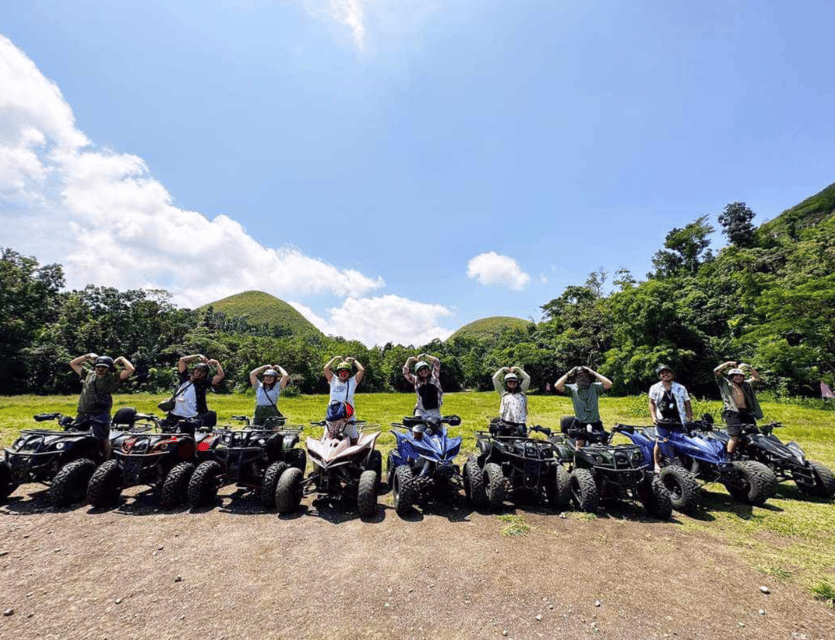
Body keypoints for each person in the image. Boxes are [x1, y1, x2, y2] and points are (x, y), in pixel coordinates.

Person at [69, 352, 135, 459]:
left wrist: (122, 359)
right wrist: (87, 356)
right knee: (75, 436)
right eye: (98, 367)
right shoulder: (88, 374)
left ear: (108, 369)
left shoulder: (112, 378)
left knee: (103, 439)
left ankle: (106, 461)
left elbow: (130, 369)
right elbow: (73, 363)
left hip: (100, 414)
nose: (100, 369)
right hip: (83, 412)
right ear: (95, 366)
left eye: (104, 367)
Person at [648, 364, 693, 473]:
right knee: (659, 441)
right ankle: (656, 464)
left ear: (672, 374)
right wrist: (653, 417)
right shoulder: (654, 387)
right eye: (662, 373)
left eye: (668, 372)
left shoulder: (680, 387)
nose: (665, 374)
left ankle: (682, 464)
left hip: (678, 420)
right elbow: (651, 403)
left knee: (681, 442)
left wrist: (690, 416)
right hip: (662, 420)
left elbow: (687, 403)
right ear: (659, 376)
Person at [555, 365, 612, 447]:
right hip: (580, 422)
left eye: (585, 376)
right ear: (576, 377)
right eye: (580, 376)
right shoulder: (572, 389)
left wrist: (593, 372)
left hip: (595, 421)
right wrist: (568, 373)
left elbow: (608, 384)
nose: (582, 378)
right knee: (579, 445)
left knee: (601, 444)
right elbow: (557, 385)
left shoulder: (595, 387)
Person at [714, 360, 763, 455]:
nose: (738, 377)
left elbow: (757, 378)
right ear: (731, 377)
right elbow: (716, 371)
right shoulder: (725, 384)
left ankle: (751, 455)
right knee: (735, 436)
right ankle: (728, 457)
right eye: (736, 375)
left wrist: (748, 367)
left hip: (746, 412)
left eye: (741, 376)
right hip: (732, 412)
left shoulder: (746, 385)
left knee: (753, 434)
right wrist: (728, 364)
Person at [166, 354, 225, 430]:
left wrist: (217, 364)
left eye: (202, 372)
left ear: (205, 374)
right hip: (175, 415)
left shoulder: (203, 383)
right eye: (197, 370)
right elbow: (182, 360)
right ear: (194, 370)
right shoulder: (185, 377)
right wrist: (197, 356)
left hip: (192, 416)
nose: (199, 373)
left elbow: (220, 376)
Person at [323, 356, 365, 444]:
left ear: (349, 373)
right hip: (333, 414)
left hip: (348, 415)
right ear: (338, 373)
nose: (343, 374)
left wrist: (354, 360)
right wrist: (335, 359)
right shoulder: (333, 379)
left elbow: (361, 370)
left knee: (354, 439)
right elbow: (326, 369)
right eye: (341, 372)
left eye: (346, 372)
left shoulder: (353, 381)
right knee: (328, 438)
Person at [402, 354, 444, 426]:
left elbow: (436, 362)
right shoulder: (416, 380)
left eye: (425, 369)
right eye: (420, 370)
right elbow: (405, 373)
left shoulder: (434, 377)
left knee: (437, 429)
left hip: (434, 409)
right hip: (421, 409)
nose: (423, 371)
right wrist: (409, 360)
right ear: (417, 372)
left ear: (428, 370)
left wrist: (425, 356)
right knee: (418, 429)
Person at [492, 365, 531, 436]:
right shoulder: (503, 393)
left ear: (517, 383)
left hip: (520, 424)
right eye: (509, 382)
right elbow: (495, 378)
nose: (512, 384)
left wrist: (518, 369)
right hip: (505, 423)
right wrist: (503, 369)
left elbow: (527, 378)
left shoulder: (521, 392)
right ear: (506, 383)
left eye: (514, 382)